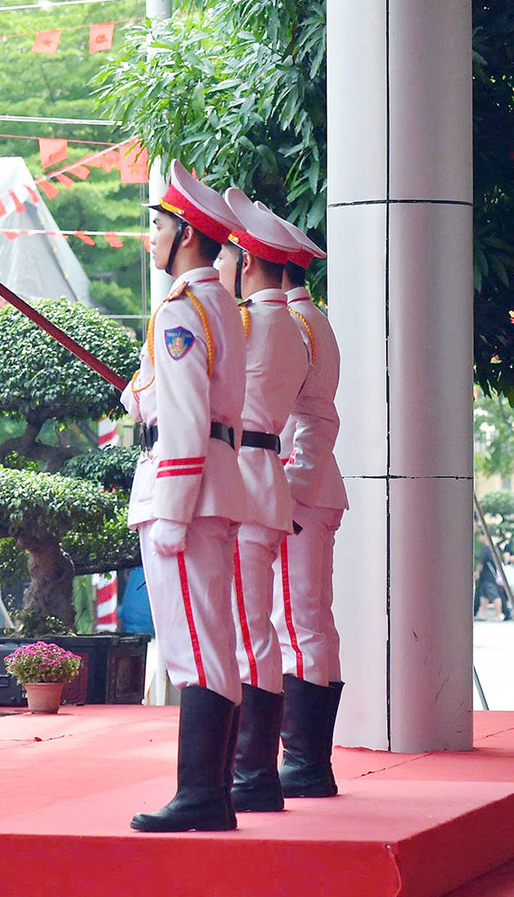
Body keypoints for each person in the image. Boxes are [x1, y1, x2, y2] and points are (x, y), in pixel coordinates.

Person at [123, 161, 248, 833]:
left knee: (194, 647)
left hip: (185, 497)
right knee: (211, 640)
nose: (151, 236)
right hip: (211, 489)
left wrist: (170, 509)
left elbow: (186, 416)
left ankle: (201, 795)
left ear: (188, 237)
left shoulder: (182, 309)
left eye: (158, 225)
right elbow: (182, 400)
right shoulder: (217, 303)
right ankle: (211, 792)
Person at [214, 189, 309, 813]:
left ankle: (253, 775)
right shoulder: (292, 327)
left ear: (249, 262)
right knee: (257, 629)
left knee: (250, 631)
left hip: (246, 481)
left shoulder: (249, 323)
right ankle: (254, 773)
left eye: (230, 254)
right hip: (262, 477)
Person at [267, 206, 350, 799]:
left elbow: (310, 421)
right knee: (307, 622)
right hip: (310, 488)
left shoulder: (294, 325)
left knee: (298, 625)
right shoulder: (310, 319)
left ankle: (305, 762)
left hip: (301, 489)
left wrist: (289, 493)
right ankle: (306, 760)